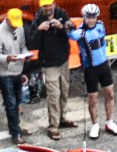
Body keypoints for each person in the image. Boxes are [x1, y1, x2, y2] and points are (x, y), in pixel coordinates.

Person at [70, 5, 117, 139]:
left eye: (93, 17)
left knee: (110, 94)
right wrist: (67, 27)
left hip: (104, 66)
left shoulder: (101, 25)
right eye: (88, 18)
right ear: (84, 17)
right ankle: (95, 124)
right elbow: (72, 34)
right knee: (93, 99)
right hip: (90, 69)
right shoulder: (80, 32)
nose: (91, 20)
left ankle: (110, 122)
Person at [31, 0, 75, 141]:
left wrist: (62, 27)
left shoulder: (62, 13)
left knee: (64, 92)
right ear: (41, 7)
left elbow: (72, 30)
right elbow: (31, 42)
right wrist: (39, 30)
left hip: (63, 60)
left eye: (49, 4)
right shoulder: (37, 20)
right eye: (45, 6)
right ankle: (53, 127)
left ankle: (62, 119)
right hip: (49, 64)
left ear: (54, 4)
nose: (48, 8)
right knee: (54, 95)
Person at [0, 9, 29, 145]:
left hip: (18, 70)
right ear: (7, 19)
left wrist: (25, 55)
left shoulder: (20, 28)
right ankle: (15, 133)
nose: (15, 26)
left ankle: (16, 127)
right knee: (11, 103)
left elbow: (23, 46)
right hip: (5, 73)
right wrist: (7, 58)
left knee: (18, 100)